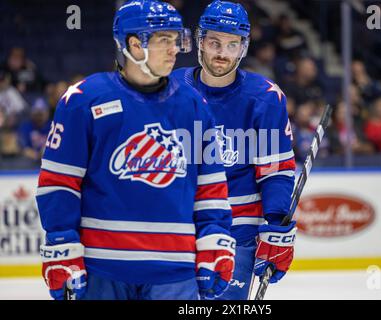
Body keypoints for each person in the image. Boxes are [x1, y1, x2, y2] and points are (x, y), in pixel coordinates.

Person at [36, 0, 235, 300]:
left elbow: (211, 188)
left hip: (175, 270)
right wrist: (62, 244)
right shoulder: (83, 100)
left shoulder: (193, 105)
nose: (175, 49)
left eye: (176, 39)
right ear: (135, 44)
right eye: (164, 40)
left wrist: (214, 242)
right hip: (103, 267)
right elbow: (60, 182)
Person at [172, 0, 297, 300]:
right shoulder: (171, 88)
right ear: (200, 42)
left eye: (232, 44)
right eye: (215, 42)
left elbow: (275, 172)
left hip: (238, 229)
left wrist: (276, 223)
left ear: (243, 47)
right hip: (177, 226)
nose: (222, 53)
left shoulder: (264, 98)